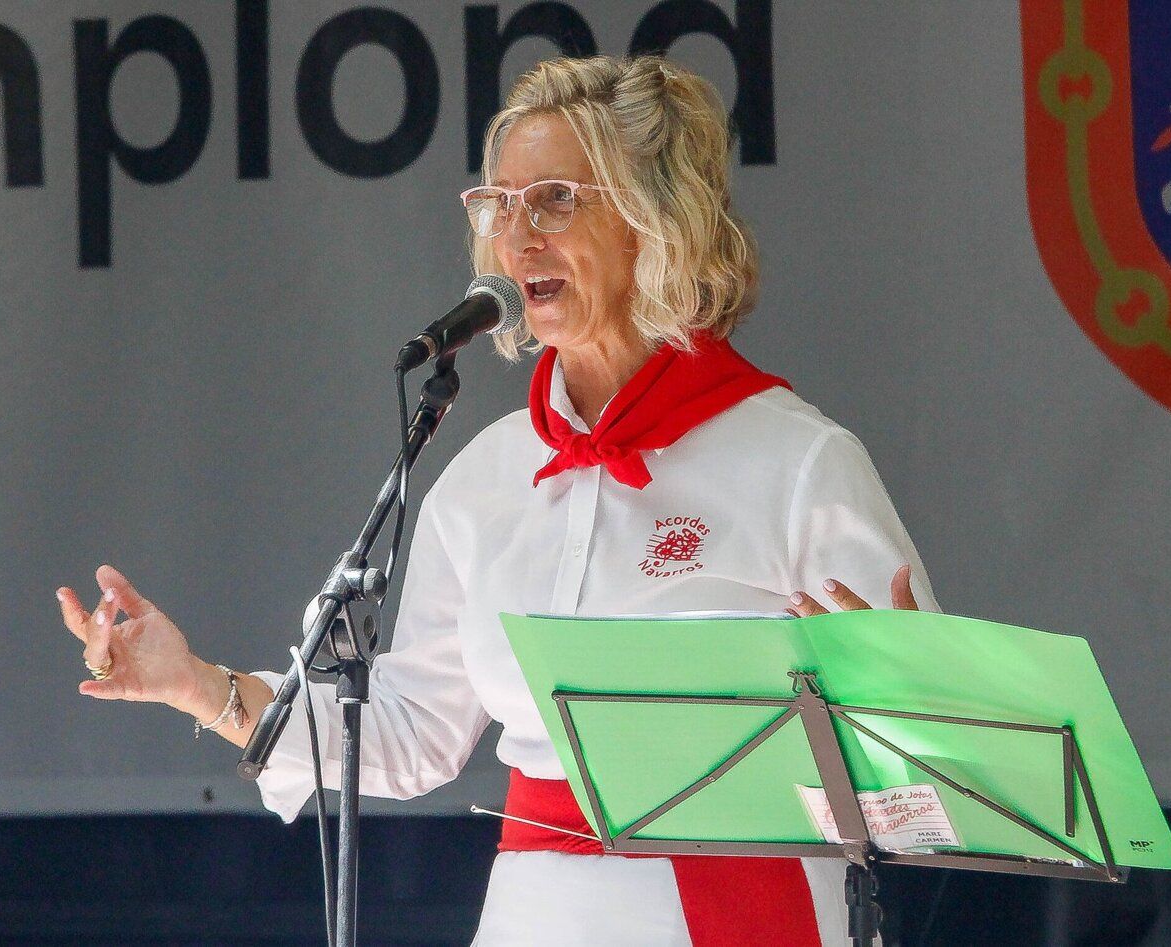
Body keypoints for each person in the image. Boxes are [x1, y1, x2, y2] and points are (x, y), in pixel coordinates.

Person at [59, 55, 934, 946]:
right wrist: (195, 684)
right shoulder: (483, 479)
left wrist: (911, 704)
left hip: (737, 914)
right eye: (499, 206)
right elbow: (404, 735)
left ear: (652, 220)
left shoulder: (796, 460)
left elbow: (935, 769)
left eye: (555, 198)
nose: (518, 241)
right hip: (538, 915)